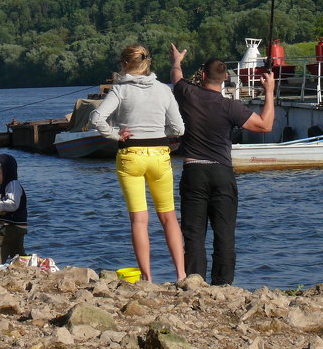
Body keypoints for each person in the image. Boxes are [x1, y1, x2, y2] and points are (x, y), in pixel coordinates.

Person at [170, 43, 274, 286]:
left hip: (194, 170)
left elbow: (176, 76)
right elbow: (265, 125)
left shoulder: (188, 94)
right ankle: (223, 285)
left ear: (203, 75)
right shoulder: (231, 107)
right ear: (225, 79)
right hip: (222, 172)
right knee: (224, 234)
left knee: (194, 234)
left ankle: (195, 283)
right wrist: (269, 91)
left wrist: (177, 59)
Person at [91, 44, 186, 283]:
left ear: (124, 65)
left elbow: (97, 118)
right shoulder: (164, 90)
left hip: (131, 155)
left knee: (140, 220)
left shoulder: (119, 91)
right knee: (169, 217)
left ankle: (147, 277)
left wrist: (115, 134)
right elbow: (179, 129)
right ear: (148, 63)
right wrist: (158, 131)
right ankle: (182, 275)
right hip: (159, 156)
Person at [0, 153, 28, 263]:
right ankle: (27, 266)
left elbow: (13, 204)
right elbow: (2, 204)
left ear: (8, 172)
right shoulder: (4, 186)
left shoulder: (12, 184)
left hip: (13, 226)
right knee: (16, 252)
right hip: (17, 226)